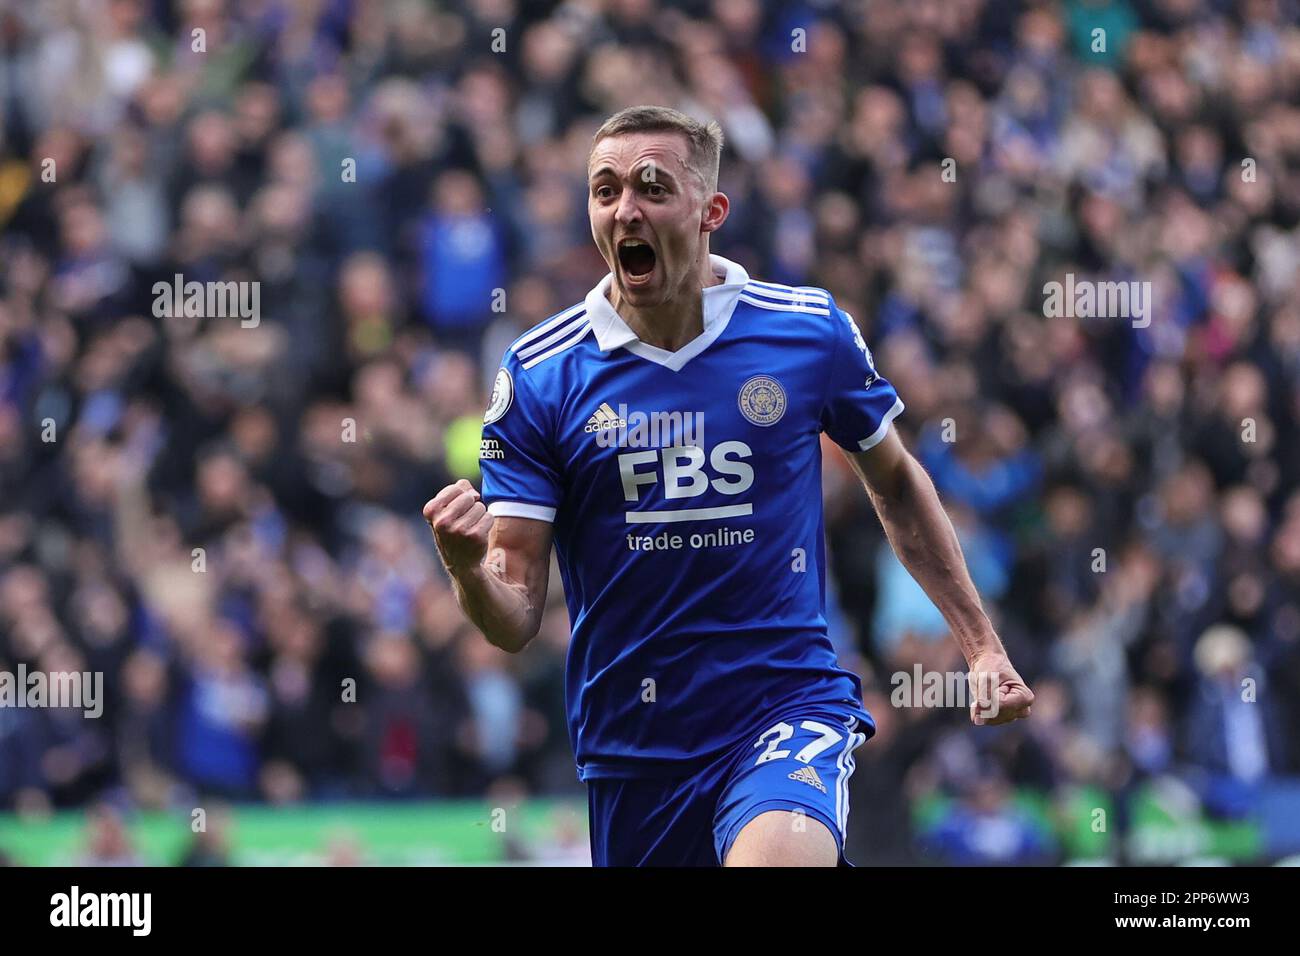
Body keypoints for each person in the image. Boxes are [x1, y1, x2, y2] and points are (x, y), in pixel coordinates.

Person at [423, 105, 1033, 866]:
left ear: (711, 210)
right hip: (633, 745)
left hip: (783, 706)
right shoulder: (541, 373)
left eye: (651, 187)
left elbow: (898, 484)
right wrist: (464, 569)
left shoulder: (806, 333)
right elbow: (513, 616)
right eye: (604, 190)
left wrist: (980, 648)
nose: (625, 209)